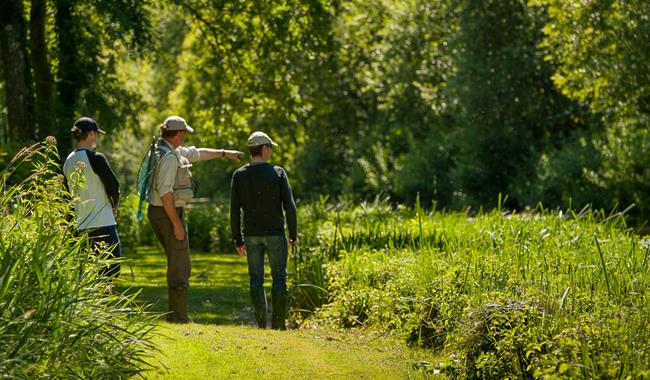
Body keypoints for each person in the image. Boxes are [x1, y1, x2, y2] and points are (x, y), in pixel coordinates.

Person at [147, 115, 243, 323]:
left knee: (178, 262)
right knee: (180, 265)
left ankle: (177, 315)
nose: (185, 137)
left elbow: (197, 153)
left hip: (160, 212)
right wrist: (176, 224)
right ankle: (178, 317)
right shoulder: (169, 158)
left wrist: (225, 153)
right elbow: (165, 193)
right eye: (184, 133)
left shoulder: (165, 150)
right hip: (167, 213)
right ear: (179, 133)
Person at [230, 131, 297, 330]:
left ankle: (261, 324)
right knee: (279, 277)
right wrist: (293, 234)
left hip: (251, 235)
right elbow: (290, 206)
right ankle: (278, 324)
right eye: (270, 147)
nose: (270, 151)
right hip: (275, 234)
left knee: (256, 279)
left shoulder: (239, 175)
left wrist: (238, 239)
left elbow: (234, 210)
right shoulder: (278, 173)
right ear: (264, 148)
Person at [63, 117, 121, 279]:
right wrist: (114, 206)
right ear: (92, 134)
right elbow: (113, 187)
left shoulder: (68, 161)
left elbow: (67, 196)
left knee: (87, 279)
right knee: (110, 275)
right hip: (104, 225)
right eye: (97, 134)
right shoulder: (97, 158)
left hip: (80, 228)